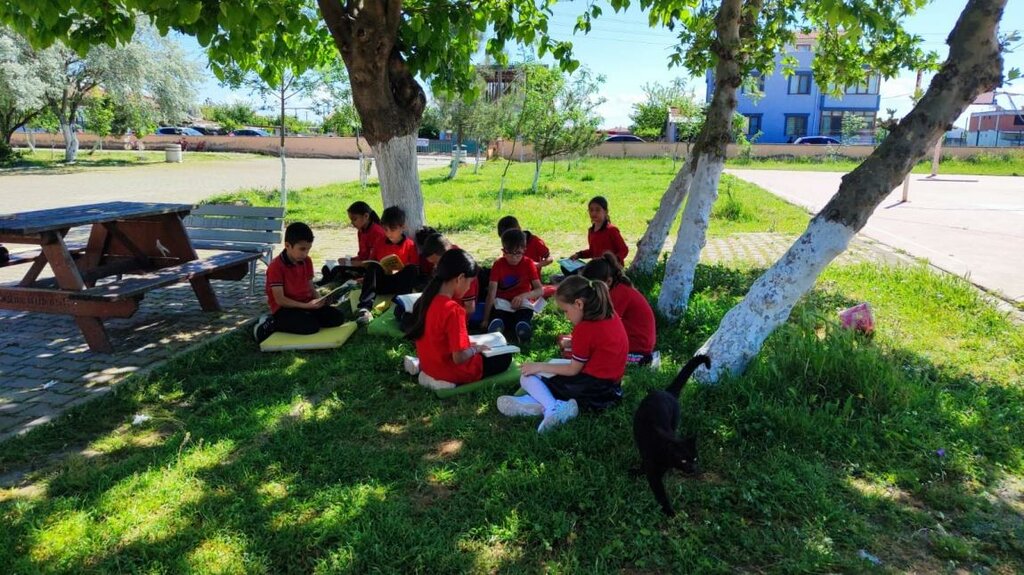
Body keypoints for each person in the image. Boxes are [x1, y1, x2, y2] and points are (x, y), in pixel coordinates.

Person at [496, 275, 628, 433]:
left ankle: (553, 407)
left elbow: (573, 369)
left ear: (578, 303)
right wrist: (572, 344)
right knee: (550, 367)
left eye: (566, 311)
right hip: (612, 391)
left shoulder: (584, 328)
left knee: (528, 376)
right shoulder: (610, 315)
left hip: (591, 390)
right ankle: (535, 404)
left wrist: (538, 366)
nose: (566, 317)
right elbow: (600, 345)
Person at [405, 249, 513, 385]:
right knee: (505, 358)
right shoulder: (454, 310)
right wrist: (475, 349)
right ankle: (445, 382)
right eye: (469, 283)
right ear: (460, 278)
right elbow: (459, 358)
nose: (468, 288)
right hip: (449, 371)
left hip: (428, 365)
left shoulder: (427, 299)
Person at [253, 222, 345, 342]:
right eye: (302, 249)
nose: (305, 253)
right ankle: (271, 323)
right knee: (310, 327)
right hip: (285, 309)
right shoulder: (276, 267)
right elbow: (280, 300)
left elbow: (310, 286)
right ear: (287, 246)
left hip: (306, 305)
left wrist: (320, 300)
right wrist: (307, 306)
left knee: (337, 318)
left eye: (308, 249)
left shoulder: (306, 261)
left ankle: (305, 317)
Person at [582, 253, 656, 365]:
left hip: (637, 351)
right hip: (636, 346)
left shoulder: (618, 294)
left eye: (593, 287)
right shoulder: (618, 289)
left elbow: (604, 324)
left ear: (608, 281)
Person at [354, 206, 420, 324]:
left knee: (411, 269)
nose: (388, 233)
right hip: (383, 283)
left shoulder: (409, 245)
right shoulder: (380, 242)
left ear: (402, 227)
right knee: (373, 267)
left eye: (392, 229)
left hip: (400, 284)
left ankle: (401, 302)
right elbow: (372, 262)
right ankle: (365, 306)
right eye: (385, 229)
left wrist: (401, 269)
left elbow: (414, 267)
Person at [482, 229, 544, 344]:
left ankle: (521, 328)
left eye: (518, 253)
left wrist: (523, 296)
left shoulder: (529, 264)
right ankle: (498, 326)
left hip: (522, 303)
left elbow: (540, 290)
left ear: (524, 250)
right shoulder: (498, 264)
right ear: (503, 251)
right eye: (510, 253)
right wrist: (485, 319)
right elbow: (491, 293)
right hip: (502, 302)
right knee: (498, 312)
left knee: (524, 314)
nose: (514, 257)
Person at [321, 201, 386, 285]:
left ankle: (327, 284)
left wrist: (352, 263)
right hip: (360, 264)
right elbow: (362, 255)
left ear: (366, 216)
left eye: (354, 219)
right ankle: (325, 283)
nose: (352, 223)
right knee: (326, 268)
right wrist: (349, 260)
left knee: (337, 271)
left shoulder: (377, 232)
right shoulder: (361, 231)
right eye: (351, 220)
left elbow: (373, 262)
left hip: (370, 270)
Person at [563, 195, 629, 274]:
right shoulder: (591, 231)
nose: (594, 213)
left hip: (610, 268)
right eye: (591, 210)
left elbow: (624, 250)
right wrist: (578, 255)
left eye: (597, 210)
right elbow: (592, 251)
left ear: (605, 211)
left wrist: (613, 260)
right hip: (597, 266)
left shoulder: (612, 230)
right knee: (566, 266)